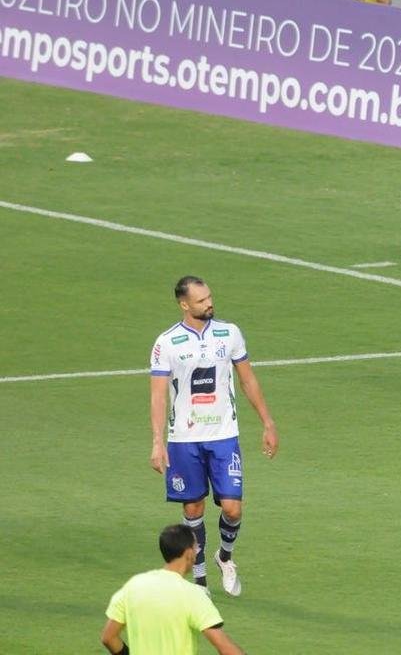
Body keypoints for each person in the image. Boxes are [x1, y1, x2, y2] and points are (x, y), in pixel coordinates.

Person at [149, 276, 278, 596]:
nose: (209, 303)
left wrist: (268, 422)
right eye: (202, 300)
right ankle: (201, 579)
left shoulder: (229, 333)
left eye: (210, 297)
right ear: (184, 304)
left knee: (233, 508)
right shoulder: (166, 342)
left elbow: (247, 380)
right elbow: (158, 396)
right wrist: (157, 440)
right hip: (184, 439)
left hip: (223, 435)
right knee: (193, 510)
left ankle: (225, 557)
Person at [101, 524, 244, 655]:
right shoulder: (192, 595)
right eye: (196, 548)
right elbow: (225, 648)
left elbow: (108, 637)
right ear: (188, 553)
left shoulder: (133, 586)